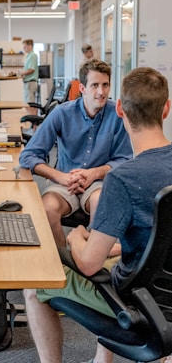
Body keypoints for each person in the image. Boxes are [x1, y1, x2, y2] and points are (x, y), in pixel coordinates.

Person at [24, 66, 172, 363]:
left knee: (32, 286)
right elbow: (156, 237)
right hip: (165, 292)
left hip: (136, 301)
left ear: (120, 109)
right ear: (166, 109)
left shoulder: (123, 179)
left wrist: (78, 237)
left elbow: (89, 264)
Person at [19, 59, 132, 247]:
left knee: (102, 205)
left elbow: (125, 159)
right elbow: (28, 155)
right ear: (82, 88)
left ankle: (90, 261)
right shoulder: (62, 113)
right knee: (47, 209)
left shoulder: (118, 115)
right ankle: (65, 263)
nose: (101, 92)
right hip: (64, 182)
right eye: (94, 85)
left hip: (98, 183)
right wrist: (60, 177)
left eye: (105, 85)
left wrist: (94, 173)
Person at [21, 39, 39, 115]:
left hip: (30, 83)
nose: (23, 48)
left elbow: (31, 69)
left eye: (25, 47)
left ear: (30, 46)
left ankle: (34, 125)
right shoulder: (28, 56)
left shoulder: (33, 56)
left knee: (30, 105)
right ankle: (33, 124)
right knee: (28, 105)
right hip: (27, 83)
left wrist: (21, 73)